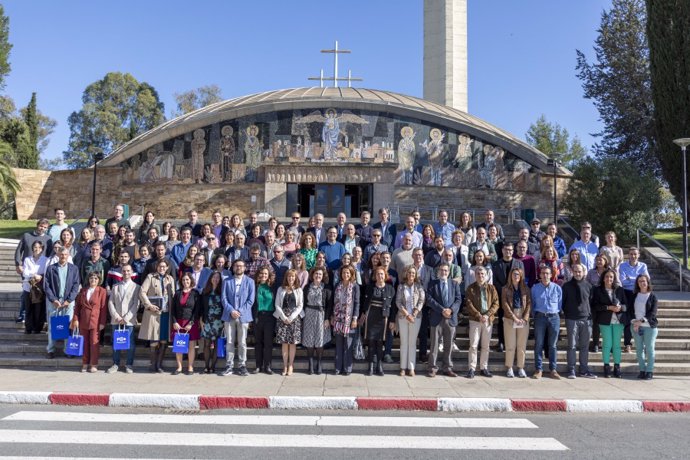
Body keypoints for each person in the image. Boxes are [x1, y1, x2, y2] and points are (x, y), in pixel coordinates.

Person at [426, 263, 463, 377]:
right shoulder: (433, 284)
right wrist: (442, 310)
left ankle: (447, 368)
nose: (444, 272)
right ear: (438, 272)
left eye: (446, 271)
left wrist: (451, 310)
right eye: (442, 270)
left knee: (448, 345)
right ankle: (432, 368)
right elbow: (429, 300)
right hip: (437, 318)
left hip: (450, 319)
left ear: (449, 272)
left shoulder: (454, 284)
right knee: (434, 345)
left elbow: (458, 299)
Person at [138, 259, 174, 373]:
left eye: (164, 266)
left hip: (165, 313)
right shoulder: (150, 277)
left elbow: (173, 294)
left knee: (163, 340)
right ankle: (152, 364)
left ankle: (159, 365)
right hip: (153, 313)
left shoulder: (170, 279)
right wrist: (148, 305)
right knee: (154, 339)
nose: (162, 268)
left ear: (167, 267)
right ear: (157, 267)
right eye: (160, 266)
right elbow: (142, 291)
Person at [464, 266, 500, 378]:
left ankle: (484, 367)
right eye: (478, 274)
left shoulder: (492, 288)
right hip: (475, 320)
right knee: (473, 345)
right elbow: (469, 303)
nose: (480, 276)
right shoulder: (470, 288)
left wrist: (487, 315)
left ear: (486, 275)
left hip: (487, 320)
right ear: (475, 275)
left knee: (485, 346)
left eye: (482, 274)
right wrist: (478, 315)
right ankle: (472, 368)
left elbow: (496, 303)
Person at [562, 263, 597, 379]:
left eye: (580, 271)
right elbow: (563, 302)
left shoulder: (589, 286)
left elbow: (592, 303)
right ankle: (571, 369)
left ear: (583, 272)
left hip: (586, 319)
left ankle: (584, 369)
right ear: (572, 271)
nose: (578, 273)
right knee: (572, 345)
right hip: (571, 319)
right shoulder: (566, 286)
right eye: (575, 271)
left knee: (584, 346)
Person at [44, 247, 80, 359]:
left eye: (65, 254)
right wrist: (53, 299)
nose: (63, 256)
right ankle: (50, 350)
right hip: (54, 302)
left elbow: (76, 285)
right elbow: (46, 286)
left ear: (68, 255)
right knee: (52, 327)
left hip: (68, 303)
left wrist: (69, 300)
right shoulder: (51, 268)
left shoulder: (74, 269)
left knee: (68, 326)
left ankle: (67, 350)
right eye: (61, 254)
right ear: (58, 255)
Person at [221, 259, 255, 376]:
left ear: (245, 268)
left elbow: (251, 300)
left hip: (243, 316)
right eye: (236, 266)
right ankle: (229, 365)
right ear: (233, 267)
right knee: (230, 342)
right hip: (229, 316)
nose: (238, 268)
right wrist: (231, 310)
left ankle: (242, 365)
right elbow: (223, 299)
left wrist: (239, 311)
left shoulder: (250, 282)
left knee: (242, 342)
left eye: (241, 266)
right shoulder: (226, 281)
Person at [14, 219, 52, 323]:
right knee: (25, 293)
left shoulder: (48, 239)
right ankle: (22, 315)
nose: (42, 229)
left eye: (45, 227)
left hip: (40, 273)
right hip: (27, 269)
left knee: (39, 294)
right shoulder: (27, 236)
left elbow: (49, 255)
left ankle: (38, 319)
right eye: (41, 226)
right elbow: (19, 250)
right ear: (37, 225)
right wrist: (18, 264)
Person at [69, 272, 107, 373]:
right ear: (88, 279)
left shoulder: (102, 291)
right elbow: (77, 307)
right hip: (83, 321)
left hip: (96, 320)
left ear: (99, 280)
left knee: (94, 343)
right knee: (85, 343)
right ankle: (85, 363)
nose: (93, 280)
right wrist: (75, 319)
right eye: (91, 278)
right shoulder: (83, 290)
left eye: (95, 278)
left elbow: (103, 308)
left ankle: (94, 364)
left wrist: (103, 322)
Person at [361, 266, 396, 376]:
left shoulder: (390, 288)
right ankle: (371, 365)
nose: (380, 276)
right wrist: (363, 315)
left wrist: (392, 320)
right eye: (377, 274)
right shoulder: (370, 287)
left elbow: (393, 306)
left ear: (385, 275)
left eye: (382, 274)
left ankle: (379, 365)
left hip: (383, 317)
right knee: (371, 342)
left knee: (380, 343)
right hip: (371, 316)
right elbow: (365, 302)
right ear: (375, 276)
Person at [592, 268, 627, 378]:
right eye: (607, 277)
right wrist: (608, 307)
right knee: (607, 344)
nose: (609, 279)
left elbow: (626, 306)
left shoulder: (620, 290)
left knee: (616, 345)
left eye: (611, 277)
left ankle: (617, 367)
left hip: (618, 320)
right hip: (604, 320)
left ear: (614, 278)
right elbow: (595, 306)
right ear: (603, 278)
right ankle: (606, 367)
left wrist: (620, 307)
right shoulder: (597, 290)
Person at [106, 264, 140, 374]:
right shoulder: (115, 286)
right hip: (116, 319)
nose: (126, 273)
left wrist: (126, 317)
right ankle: (115, 364)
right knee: (116, 342)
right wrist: (116, 316)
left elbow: (136, 304)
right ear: (121, 272)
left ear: (131, 272)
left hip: (129, 320)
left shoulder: (136, 287)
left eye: (128, 271)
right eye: (124, 271)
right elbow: (111, 302)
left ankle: (129, 364)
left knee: (130, 343)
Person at [491, 242, 524, 353]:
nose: (508, 252)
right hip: (501, 296)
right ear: (502, 250)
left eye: (510, 250)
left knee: (515, 319)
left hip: (516, 297)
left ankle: (513, 344)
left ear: (513, 251)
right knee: (501, 320)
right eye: (506, 249)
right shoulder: (495, 264)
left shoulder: (519, 264)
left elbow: (521, 280)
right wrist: (504, 291)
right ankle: (501, 342)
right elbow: (494, 281)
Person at [531, 266, 563, 379]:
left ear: (551, 275)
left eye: (547, 273)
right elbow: (533, 304)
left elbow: (559, 304)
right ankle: (538, 369)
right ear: (540, 275)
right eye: (543, 273)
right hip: (540, 317)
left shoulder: (557, 288)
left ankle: (553, 370)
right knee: (539, 344)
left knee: (553, 345)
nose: (545, 275)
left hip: (554, 317)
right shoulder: (535, 288)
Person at [618, 247, 650, 353]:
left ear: (638, 255)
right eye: (631, 254)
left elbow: (646, 280)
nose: (633, 256)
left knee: (641, 318)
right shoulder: (622, 266)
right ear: (628, 255)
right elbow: (623, 281)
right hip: (626, 294)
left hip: (639, 294)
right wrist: (637, 280)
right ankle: (628, 344)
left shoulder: (643, 266)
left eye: (635, 254)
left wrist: (630, 279)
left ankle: (643, 344)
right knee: (628, 320)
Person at [395, 265, 425, 376]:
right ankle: (403, 367)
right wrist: (407, 314)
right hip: (403, 317)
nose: (411, 275)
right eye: (409, 273)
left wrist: (414, 313)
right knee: (404, 342)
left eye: (413, 273)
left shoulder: (419, 286)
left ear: (415, 275)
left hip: (415, 318)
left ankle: (411, 367)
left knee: (412, 343)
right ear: (406, 274)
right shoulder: (401, 287)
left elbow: (421, 300)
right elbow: (398, 301)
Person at [302, 267, 333, 375]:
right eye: (316, 274)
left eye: (320, 274)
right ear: (312, 275)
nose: (318, 276)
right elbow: (303, 302)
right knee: (309, 339)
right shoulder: (307, 287)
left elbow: (329, 305)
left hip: (321, 315)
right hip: (309, 314)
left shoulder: (327, 288)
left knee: (320, 340)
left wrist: (327, 319)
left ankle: (319, 363)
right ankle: (310, 363)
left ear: (323, 276)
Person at [501, 267, 531, 378]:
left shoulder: (526, 289)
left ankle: (520, 367)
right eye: (514, 274)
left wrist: (525, 317)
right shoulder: (505, 289)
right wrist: (514, 317)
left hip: (522, 317)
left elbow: (528, 304)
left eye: (518, 274)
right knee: (510, 344)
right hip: (510, 317)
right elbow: (504, 304)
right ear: (510, 276)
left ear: (521, 276)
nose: (516, 276)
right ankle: (509, 367)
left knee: (521, 345)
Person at [331, 265, 360, 375]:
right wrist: (332, 316)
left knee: (348, 345)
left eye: (348, 273)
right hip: (338, 319)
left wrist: (354, 319)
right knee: (339, 345)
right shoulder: (337, 285)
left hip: (349, 320)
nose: (345, 275)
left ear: (351, 274)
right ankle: (338, 367)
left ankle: (347, 368)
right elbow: (334, 302)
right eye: (343, 273)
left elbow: (357, 303)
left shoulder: (355, 287)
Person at [274, 269, 303, 376]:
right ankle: (285, 365)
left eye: (293, 277)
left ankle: (291, 365)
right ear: (286, 277)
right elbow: (277, 304)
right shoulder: (280, 289)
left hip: (294, 318)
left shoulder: (299, 290)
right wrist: (283, 317)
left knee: (292, 343)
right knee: (284, 343)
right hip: (282, 318)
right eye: (289, 276)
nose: (291, 278)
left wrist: (291, 317)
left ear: (295, 278)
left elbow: (300, 305)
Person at [170, 272, 201, 375]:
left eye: (187, 280)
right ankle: (179, 367)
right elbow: (173, 309)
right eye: (183, 280)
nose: (185, 282)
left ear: (191, 281)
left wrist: (191, 323)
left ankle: (190, 367)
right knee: (179, 345)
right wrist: (174, 322)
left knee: (191, 346)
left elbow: (197, 310)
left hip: (191, 323)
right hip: (178, 323)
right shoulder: (177, 293)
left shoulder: (195, 293)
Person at [631, 274, 657, 380]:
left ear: (647, 282)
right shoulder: (634, 296)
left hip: (649, 327)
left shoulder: (652, 296)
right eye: (640, 281)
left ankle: (649, 371)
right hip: (636, 327)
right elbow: (630, 311)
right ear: (637, 283)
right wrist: (634, 322)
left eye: (644, 281)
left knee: (650, 349)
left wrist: (640, 321)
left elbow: (653, 313)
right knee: (639, 350)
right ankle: (642, 370)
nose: (642, 283)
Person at [251, 266, 275, 374]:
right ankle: (258, 366)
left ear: (269, 275)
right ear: (258, 275)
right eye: (262, 273)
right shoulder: (255, 286)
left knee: (268, 343)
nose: (264, 276)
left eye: (266, 274)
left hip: (270, 317)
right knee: (258, 342)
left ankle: (268, 366)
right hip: (258, 316)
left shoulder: (273, 287)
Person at [199, 271, 224, 374]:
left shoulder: (223, 291)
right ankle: (206, 366)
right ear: (210, 279)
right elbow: (201, 308)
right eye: (214, 277)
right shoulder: (205, 292)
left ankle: (213, 366)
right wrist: (201, 321)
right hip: (207, 321)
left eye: (218, 278)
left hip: (219, 322)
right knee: (207, 344)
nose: (216, 279)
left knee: (217, 345)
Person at [21, 241, 48, 334]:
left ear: (42, 249)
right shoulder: (27, 259)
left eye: (39, 247)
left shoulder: (45, 260)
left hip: (39, 288)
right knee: (28, 308)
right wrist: (35, 275)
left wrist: (39, 276)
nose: (37, 249)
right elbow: (25, 273)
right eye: (35, 247)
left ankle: (37, 328)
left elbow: (45, 272)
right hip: (28, 287)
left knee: (38, 309)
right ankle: (28, 327)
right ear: (32, 248)